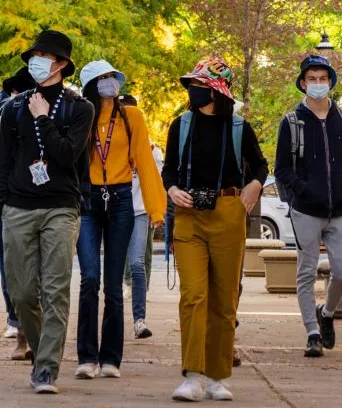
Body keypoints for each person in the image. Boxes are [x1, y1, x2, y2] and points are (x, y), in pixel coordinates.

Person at [162, 57, 267, 402]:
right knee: (194, 295)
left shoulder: (239, 128)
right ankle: (192, 374)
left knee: (224, 301)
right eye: (193, 85)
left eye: (200, 86)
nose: (193, 91)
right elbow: (169, 171)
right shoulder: (181, 125)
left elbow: (261, 166)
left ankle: (217, 375)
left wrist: (253, 186)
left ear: (216, 91)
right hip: (189, 215)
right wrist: (173, 189)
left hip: (227, 213)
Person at [0, 30, 94, 394]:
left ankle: (47, 369)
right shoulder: (13, 108)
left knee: (55, 290)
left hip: (60, 207)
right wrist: (3, 204)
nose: (37, 61)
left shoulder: (80, 108)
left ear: (62, 64)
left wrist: (42, 119)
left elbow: (67, 154)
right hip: (18, 207)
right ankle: (41, 351)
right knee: (20, 293)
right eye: (33, 55)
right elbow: (4, 161)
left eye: (44, 56)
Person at [74, 61, 165, 380]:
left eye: (113, 77)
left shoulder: (133, 117)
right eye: (103, 79)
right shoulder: (81, 114)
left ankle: (111, 358)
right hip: (87, 200)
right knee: (89, 279)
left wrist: (156, 208)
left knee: (113, 285)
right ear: (91, 85)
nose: (110, 83)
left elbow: (145, 161)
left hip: (122, 200)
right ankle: (86, 356)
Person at [273, 54, 342, 358]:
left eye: (322, 78)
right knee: (306, 273)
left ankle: (326, 313)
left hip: (339, 211)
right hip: (305, 211)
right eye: (311, 79)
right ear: (303, 83)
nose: (317, 84)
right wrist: (303, 190)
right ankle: (312, 333)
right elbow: (282, 169)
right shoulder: (291, 122)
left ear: (331, 82)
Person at [0, 66, 35, 361]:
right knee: (13, 273)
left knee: (41, 275)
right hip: (7, 204)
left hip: (46, 205)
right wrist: (13, 172)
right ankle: (18, 329)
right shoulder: (4, 121)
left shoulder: (58, 118)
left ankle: (38, 336)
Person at [126, 140, 164, 339]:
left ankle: (139, 320)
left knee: (137, 263)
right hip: (115, 210)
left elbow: (156, 180)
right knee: (113, 266)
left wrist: (155, 210)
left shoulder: (151, 149)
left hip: (140, 211)